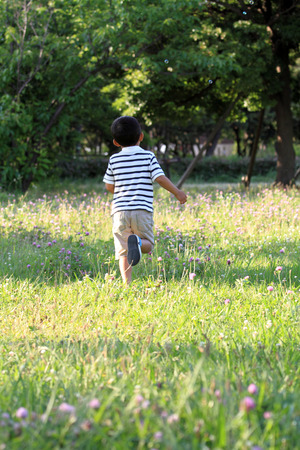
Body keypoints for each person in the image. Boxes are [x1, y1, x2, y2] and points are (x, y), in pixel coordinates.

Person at [103, 116, 187, 284]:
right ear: (141, 136)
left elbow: (109, 187)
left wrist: (119, 190)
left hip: (119, 211)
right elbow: (160, 178)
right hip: (141, 209)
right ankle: (139, 242)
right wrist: (177, 192)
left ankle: (127, 286)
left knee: (123, 251)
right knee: (148, 245)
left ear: (115, 142)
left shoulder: (114, 159)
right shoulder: (148, 156)